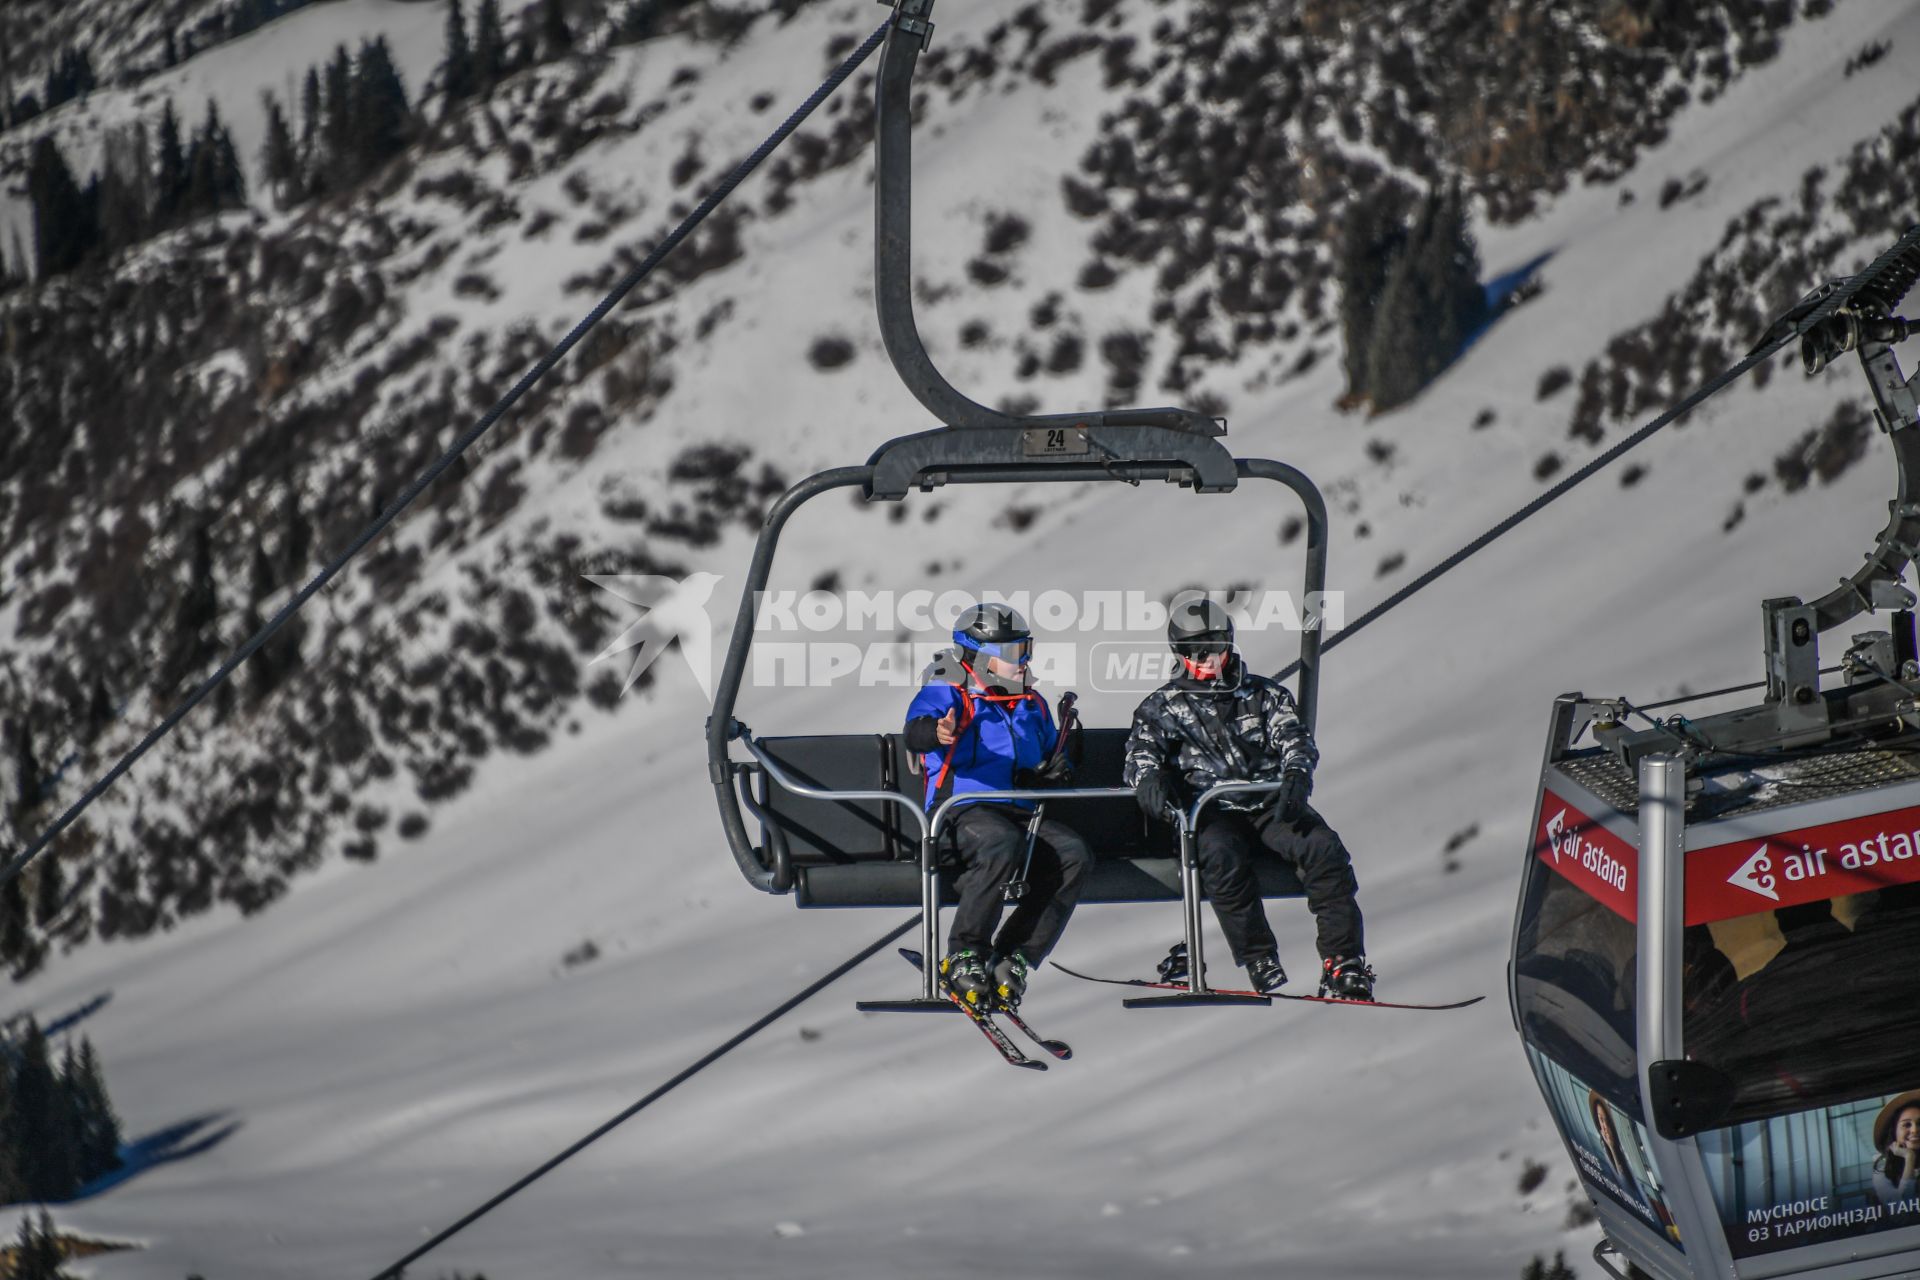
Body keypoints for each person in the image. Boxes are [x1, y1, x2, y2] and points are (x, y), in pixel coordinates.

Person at [1122, 598, 1372, 998]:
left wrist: (1295, 773)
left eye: (1215, 647)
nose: (1206, 659)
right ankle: (1258, 955)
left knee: (1323, 848)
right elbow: (1141, 754)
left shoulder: (1263, 695)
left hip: (1269, 804)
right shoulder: (1161, 708)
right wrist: (1150, 780)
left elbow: (1294, 737)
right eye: (1194, 651)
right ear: (1179, 655)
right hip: (1212, 810)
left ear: (1229, 644)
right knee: (1221, 855)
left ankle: (1343, 961)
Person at [904, 602, 1090, 1010]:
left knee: (1073, 854)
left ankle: (1014, 955)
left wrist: (1055, 766)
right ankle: (964, 953)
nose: (1020, 661)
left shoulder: (1030, 703)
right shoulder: (948, 689)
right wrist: (935, 731)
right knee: (999, 843)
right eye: (1009, 654)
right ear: (975, 658)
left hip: (1020, 812)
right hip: (959, 811)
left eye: (1023, 649)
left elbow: (1045, 755)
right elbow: (916, 731)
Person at [1872, 1089, 1920, 1206]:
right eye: (1906, 1124)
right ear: (1894, 1132)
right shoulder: (1882, 1171)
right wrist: (1909, 1158)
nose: (1914, 1130)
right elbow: (1902, 1213)